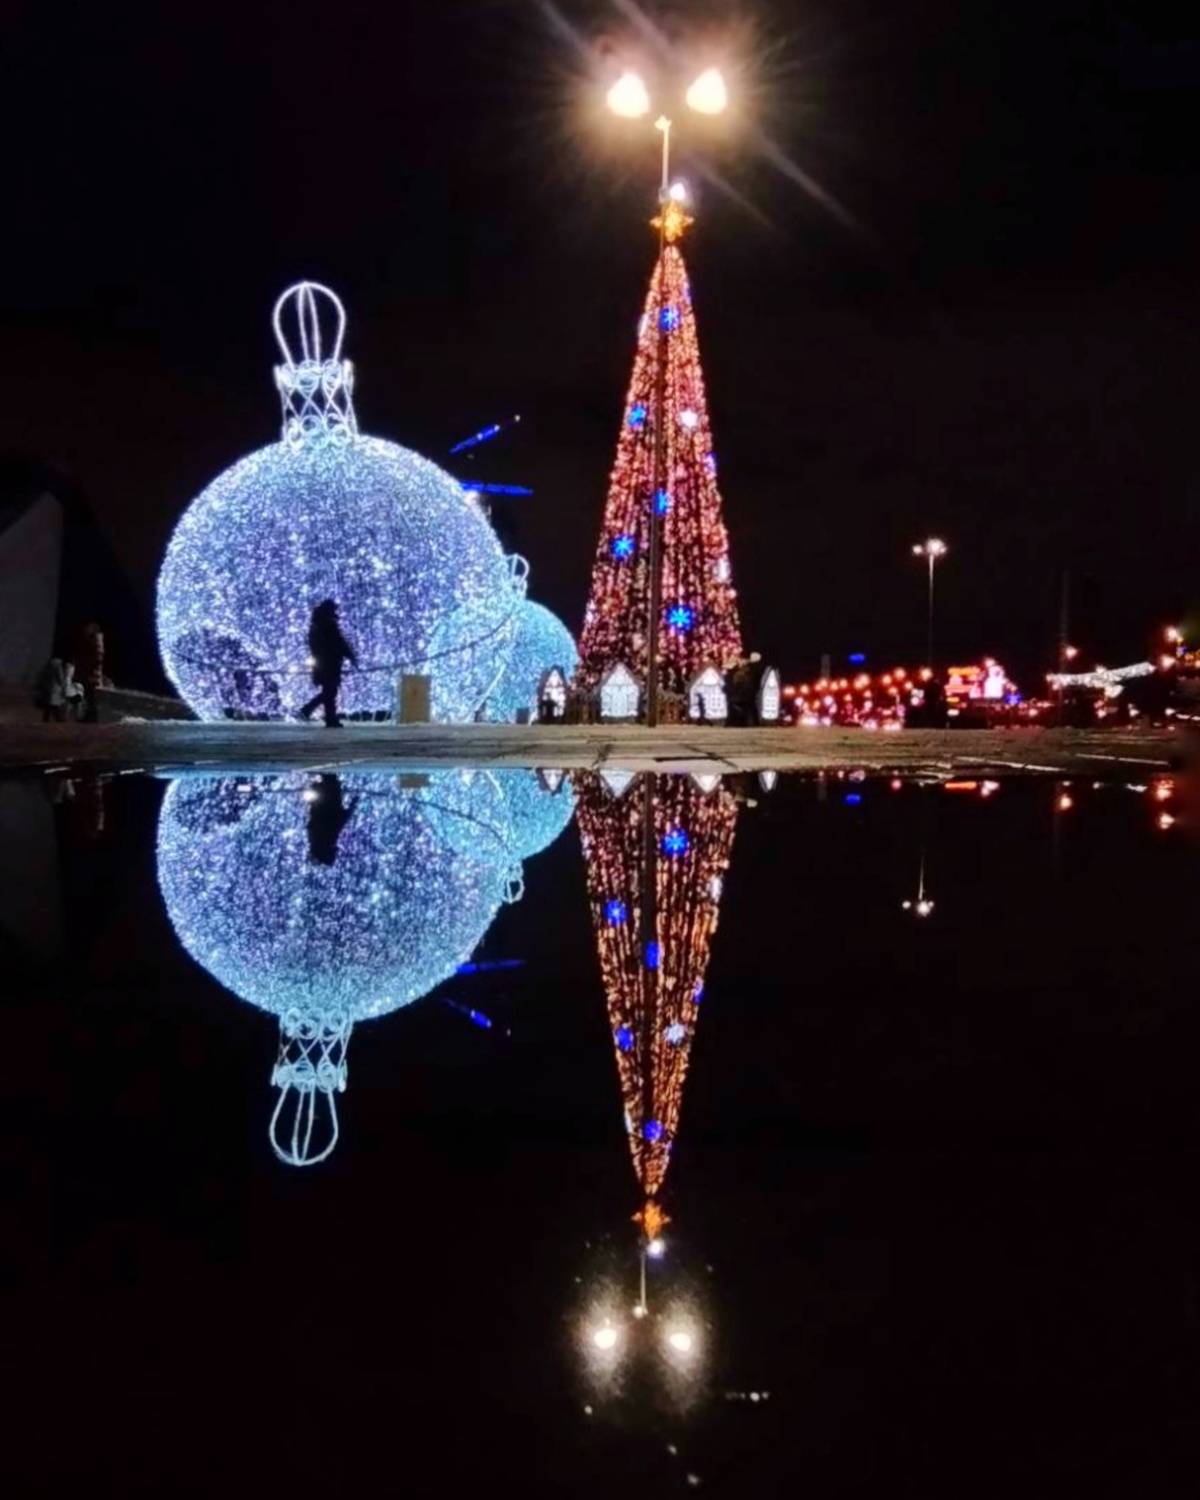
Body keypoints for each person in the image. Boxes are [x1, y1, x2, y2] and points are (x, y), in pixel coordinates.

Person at [299, 599, 358, 727]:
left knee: (329, 690)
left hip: (321, 662)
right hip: (330, 662)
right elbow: (339, 642)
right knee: (330, 691)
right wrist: (350, 656)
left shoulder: (316, 624)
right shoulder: (329, 625)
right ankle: (312, 711)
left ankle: (326, 716)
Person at [74, 622, 106, 722]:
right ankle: (90, 715)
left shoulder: (96, 639)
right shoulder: (92, 641)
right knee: (89, 696)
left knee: (91, 696)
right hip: (91, 673)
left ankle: (92, 716)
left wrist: (94, 672)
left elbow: (98, 656)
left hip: (92, 675)